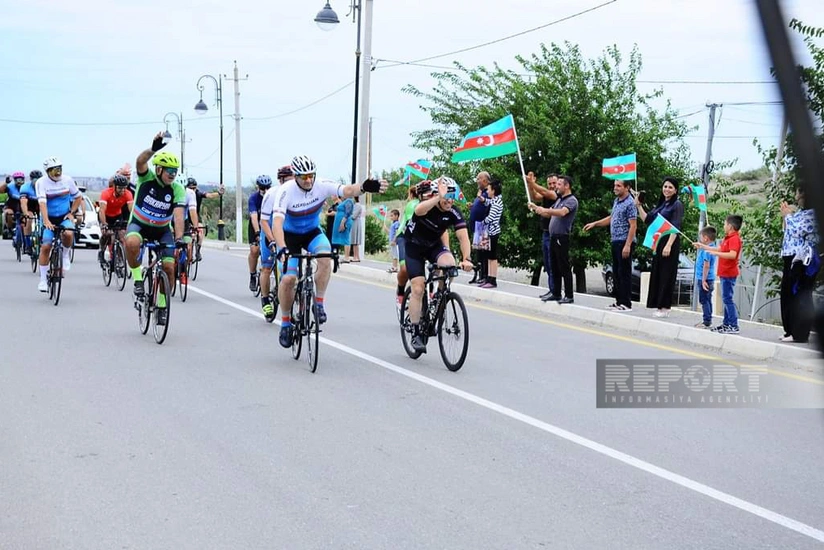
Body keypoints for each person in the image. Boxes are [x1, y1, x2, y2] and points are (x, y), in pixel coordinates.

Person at [269, 155, 387, 347]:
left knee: (325, 257)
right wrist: (281, 247)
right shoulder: (285, 191)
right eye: (304, 177)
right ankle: (285, 323)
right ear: (296, 176)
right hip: (289, 236)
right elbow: (277, 222)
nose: (308, 180)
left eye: (311, 176)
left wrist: (364, 187)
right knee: (289, 278)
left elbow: (347, 190)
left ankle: (319, 303)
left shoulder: (321, 184)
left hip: (312, 232)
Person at [403, 177, 474, 353]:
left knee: (449, 264)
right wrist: (437, 198)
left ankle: (439, 295)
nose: (450, 200)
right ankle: (416, 332)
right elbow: (419, 211)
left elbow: (463, 236)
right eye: (447, 196)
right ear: (437, 195)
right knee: (418, 288)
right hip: (414, 247)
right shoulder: (426, 206)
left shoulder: (453, 211)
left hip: (433, 246)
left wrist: (467, 258)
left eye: (453, 196)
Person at [125, 133, 187, 326]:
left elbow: (178, 215)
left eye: (175, 171)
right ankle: (137, 280)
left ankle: (161, 306)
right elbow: (140, 161)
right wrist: (153, 149)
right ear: (159, 169)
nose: (172, 174)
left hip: (162, 230)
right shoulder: (146, 179)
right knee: (131, 242)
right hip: (139, 226)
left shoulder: (177, 189)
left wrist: (179, 238)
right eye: (169, 170)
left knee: (169, 267)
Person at [582, 179, 638, 311]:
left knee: (624, 273)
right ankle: (619, 301)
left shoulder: (630, 203)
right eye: (615, 185)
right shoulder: (617, 202)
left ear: (627, 187)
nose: (615, 188)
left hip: (624, 241)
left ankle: (626, 303)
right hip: (615, 240)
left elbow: (633, 225)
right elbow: (611, 218)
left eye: (619, 186)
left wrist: (628, 245)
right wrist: (595, 223)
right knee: (617, 272)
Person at [636, 177, 684, 317]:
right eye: (665, 186)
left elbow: (676, 226)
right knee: (657, 273)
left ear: (675, 190)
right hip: (659, 242)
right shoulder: (661, 205)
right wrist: (638, 206)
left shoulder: (677, 205)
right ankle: (658, 305)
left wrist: (669, 245)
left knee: (666, 274)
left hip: (670, 241)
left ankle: (665, 307)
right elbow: (647, 219)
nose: (667, 189)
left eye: (670, 187)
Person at [528, 175, 578, 304]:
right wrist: (536, 208)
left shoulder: (571, 200)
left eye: (559, 184)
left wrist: (545, 210)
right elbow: (548, 212)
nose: (557, 187)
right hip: (553, 237)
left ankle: (569, 295)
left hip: (562, 237)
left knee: (564, 267)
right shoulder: (559, 200)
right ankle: (556, 293)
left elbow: (562, 213)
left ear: (567, 186)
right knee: (554, 266)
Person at [35, 157, 82, 291]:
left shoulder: (67, 180)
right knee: (46, 246)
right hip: (48, 217)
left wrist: (72, 212)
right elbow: (42, 204)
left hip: (63, 216)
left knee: (68, 233)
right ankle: (43, 280)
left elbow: (78, 197)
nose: (58, 173)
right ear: (47, 171)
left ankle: (66, 255)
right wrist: (46, 221)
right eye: (55, 170)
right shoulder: (41, 183)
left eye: (59, 169)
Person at [779, 189, 819, 342]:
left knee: (799, 294)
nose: (796, 197)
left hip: (804, 259)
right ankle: (790, 330)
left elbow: (798, 229)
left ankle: (800, 333)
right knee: (788, 294)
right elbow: (789, 229)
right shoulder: (802, 212)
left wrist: (788, 216)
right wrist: (786, 216)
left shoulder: (813, 213)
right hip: (791, 257)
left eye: (798, 194)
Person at [694, 215, 743, 334]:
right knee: (726, 299)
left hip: (729, 273)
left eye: (725, 224)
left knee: (728, 299)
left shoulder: (734, 239)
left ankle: (733, 325)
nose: (724, 226)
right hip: (724, 273)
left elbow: (732, 255)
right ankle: (726, 324)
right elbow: (720, 249)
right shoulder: (728, 238)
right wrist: (703, 247)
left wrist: (715, 254)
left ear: (730, 226)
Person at [257, 166, 294, 322]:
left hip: (287, 234)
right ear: (280, 180)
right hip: (269, 232)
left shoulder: (296, 193)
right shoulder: (271, 194)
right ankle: (265, 299)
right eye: (288, 179)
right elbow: (264, 221)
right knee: (266, 267)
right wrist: (272, 240)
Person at [527, 171, 558, 298]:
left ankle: (555, 291)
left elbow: (545, 192)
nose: (551, 185)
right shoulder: (546, 194)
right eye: (549, 183)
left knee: (553, 263)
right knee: (547, 263)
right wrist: (530, 185)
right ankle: (552, 289)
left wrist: (532, 182)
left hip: (553, 233)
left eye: (554, 183)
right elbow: (535, 196)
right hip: (545, 232)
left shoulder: (556, 195)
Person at [97, 174, 135, 264]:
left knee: (122, 235)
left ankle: (120, 258)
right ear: (114, 187)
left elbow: (131, 210)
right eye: (120, 188)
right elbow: (102, 210)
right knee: (107, 234)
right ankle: (101, 251)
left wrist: (133, 222)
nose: (122, 190)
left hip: (117, 215)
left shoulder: (127, 194)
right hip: (105, 216)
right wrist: (104, 224)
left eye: (124, 188)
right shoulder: (106, 193)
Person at [394, 185, 420, 311]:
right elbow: (412, 225)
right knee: (405, 269)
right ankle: (400, 291)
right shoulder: (412, 204)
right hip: (405, 236)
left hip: (420, 237)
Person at [186, 176, 225, 259]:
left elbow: (209, 195)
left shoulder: (198, 194)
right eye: (190, 188)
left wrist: (219, 193)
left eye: (194, 188)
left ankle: (198, 250)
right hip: (185, 217)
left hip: (195, 216)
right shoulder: (184, 194)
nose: (192, 190)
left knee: (200, 232)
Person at [247, 175, 272, 291]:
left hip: (269, 225)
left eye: (268, 187)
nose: (266, 190)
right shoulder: (253, 198)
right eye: (263, 188)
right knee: (255, 250)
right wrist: (257, 233)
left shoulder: (273, 196)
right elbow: (254, 216)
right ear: (258, 187)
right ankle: (252, 275)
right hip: (255, 225)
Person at [479, 178, 503, 289]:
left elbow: (491, 217)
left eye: (488, 189)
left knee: (492, 257)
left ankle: (493, 280)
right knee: (489, 256)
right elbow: (488, 202)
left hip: (493, 232)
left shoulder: (497, 202)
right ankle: (489, 278)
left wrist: (482, 223)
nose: (487, 191)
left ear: (493, 190)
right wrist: (482, 199)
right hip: (489, 232)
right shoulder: (494, 200)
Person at [468, 171, 491, 284]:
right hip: (477, 227)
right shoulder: (481, 193)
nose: (477, 181)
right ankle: (479, 275)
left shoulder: (488, 193)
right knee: (478, 253)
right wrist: (472, 207)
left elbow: (488, 205)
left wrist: (480, 198)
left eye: (479, 179)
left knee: (483, 253)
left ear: (485, 180)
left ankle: (485, 276)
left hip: (483, 226)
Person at [694, 226, 718, 328]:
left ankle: (707, 321)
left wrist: (703, 280)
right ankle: (708, 319)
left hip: (705, 278)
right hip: (710, 278)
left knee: (704, 300)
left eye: (701, 238)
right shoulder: (712, 247)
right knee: (708, 299)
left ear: (705, 238)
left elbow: (706, 265)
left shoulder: (707, 251)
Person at [19, 170, 43, 254]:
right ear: (31, 179)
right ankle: (27, 244)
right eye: (34, 179)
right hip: (30, 206)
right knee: (28, 220)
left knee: (44, 220)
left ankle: (42, 238)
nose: (36, 181)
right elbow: (23, 202)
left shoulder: (45, 187)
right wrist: (26, 214)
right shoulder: (25, 187)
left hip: (41, 205)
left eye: (38, 179)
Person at [0, 171, 24, 239]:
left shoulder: (26, 187)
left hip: (23, 206)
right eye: (17, 179)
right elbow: (0, 190)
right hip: (10, 205)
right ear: (14, 180)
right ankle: (10, 230)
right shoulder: (10, 187)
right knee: (9, 213)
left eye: (21, 179)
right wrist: (6, 183)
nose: (19, 181)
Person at [347, 196, 364, 262]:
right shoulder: (355, 205)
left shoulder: (357, 205)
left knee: (355, 240)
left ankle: (356, 257)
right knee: (354, 241)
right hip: (354, 223)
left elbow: (353, 216)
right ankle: (356, 256)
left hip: (355, 223)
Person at [387, 209, 401, 273]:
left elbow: (397, 232)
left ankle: (395, 267)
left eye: (392, 216)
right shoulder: (393, 224)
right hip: (392, 242)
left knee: (395, 255)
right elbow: (391, 232)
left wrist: (394, 240)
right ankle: (393, 266)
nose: (391, 217)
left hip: (394, 242)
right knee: (393, 255)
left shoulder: (397, 223)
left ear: (396, 216)